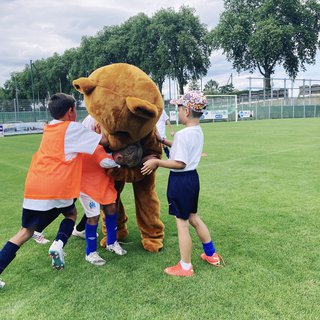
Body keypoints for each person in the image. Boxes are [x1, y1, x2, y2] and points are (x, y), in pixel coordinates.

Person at [0, 93, 110, 288]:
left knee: (25, 231)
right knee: (71, 214)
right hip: (57, 186)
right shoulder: (72, 128)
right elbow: (104, 142)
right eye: (75, 109)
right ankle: (58, 244)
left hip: (34, 186)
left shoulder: (48, 127)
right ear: (70, 111)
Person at [141, 91, 223, 277]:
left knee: (182, 223)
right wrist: (162, 140)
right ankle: (211, 255)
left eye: (178, 108)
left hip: (181, 181)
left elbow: (180, 163)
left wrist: (157, 162)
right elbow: (180, 147)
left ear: (186, 110)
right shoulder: (196, 131)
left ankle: (185, 266)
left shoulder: (184, 134)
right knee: (194, 217)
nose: (177, 112)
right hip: (192, 180)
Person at [77, 115, 143, 266]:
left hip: (103, 182)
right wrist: (120, 164)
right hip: (88, 184)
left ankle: (112, 242)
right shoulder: (97, 139)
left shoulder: (114, 143)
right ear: (119, 156)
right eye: (122, 162)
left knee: (112, 208)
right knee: (93, 216)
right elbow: (106, 161)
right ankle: (91, 252)